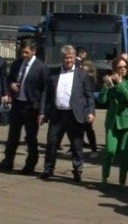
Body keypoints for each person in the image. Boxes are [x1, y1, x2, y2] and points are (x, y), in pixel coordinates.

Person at [38, 45, 95, 181]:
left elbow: (89, 95)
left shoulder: (82, 74)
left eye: (70, 57)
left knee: (76, 145)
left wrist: (91, 112)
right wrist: (42, 112)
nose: (68, 60)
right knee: (52, 143)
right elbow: (46, 94)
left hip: (74, 115)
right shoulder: (54, 73)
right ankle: (48, 169)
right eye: (66, 58)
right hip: (57, 115)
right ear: (62, 58)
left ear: (74, 58)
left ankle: (77, 170)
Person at [1, 38, 48, 174]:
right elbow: (9, 78)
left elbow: (45, 91)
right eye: (22, 52)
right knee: (13, 135)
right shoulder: (17, 63)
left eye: (26, 52)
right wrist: (11, 85)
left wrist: (42, 111)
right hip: (17, 104)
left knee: (30, 137)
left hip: (31, 107)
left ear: (34, 51)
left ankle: (30, 164)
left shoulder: (41, 67)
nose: (24, 55)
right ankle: (8, 160)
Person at [97, 56, 128, 187]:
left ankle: (122, 181)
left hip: (127, 122)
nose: (123, 70)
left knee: (124, 152)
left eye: (125, 67)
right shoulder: (110, 82)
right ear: (114, 69)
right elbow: (101, 101)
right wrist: (106, 87)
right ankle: (105, 177)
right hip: (112, 122)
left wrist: (120, 84)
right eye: (120, 67)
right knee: (110, 150)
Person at [81, 60, 99, 156]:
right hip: (80, 106)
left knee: (88, 129)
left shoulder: (90, 78)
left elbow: (89, 93)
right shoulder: (81, 76)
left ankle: (94, 149)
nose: (82, 67)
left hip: (88, 107)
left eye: (84, 66)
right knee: (78, 129)